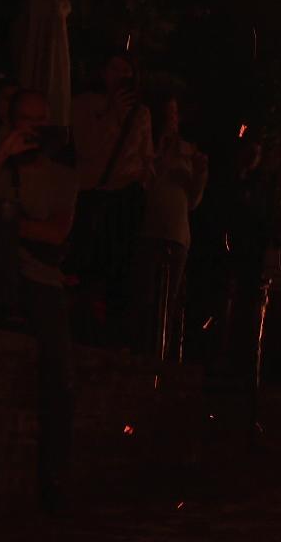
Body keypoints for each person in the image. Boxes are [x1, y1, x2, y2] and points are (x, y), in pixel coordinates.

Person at [0, 90, 78, 511]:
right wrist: (1, 154)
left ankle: (54, 480)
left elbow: (56, 232)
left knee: (60, 378)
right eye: (23, 120)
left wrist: (3, 225)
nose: (32, 128)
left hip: (43, 282)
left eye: (39, 120)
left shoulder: (61, 174)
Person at [69, 53, 153, 344]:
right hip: (92, 192)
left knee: (121, 267)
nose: (122, 74)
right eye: (115, 67)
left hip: (127, 195)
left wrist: (144, 177)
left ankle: (113, 332)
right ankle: (80, 323)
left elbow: (145, 154)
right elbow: (86, 148)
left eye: (127, 69)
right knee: (86, 263)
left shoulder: (141, 113)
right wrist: (111, 114)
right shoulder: (84, 104)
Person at [130, 94, 208, 357]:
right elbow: (143, 184)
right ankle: (140, 348)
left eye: (175, 114)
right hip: (149, 229)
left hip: (176, 233)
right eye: (167, 114)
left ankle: (163, 352)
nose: (171, 120)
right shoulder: (147, 147)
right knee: (144, 295)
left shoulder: (188, 152)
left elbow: (193, 201)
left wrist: (199, 174)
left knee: (169, 298)